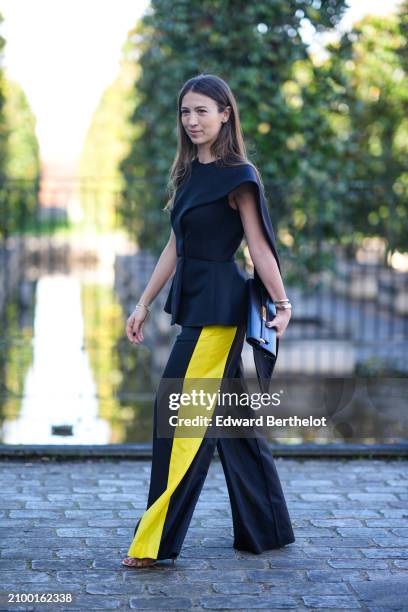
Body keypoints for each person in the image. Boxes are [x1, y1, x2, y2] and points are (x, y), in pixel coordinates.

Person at [122, 74, 295, 568]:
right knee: (233, 424)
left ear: (225, 114)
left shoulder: (239, 175)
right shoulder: (188, 174)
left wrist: (281, 304)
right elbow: (177, 245)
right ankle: (269, 528)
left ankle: (155, 542)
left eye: (203, 111)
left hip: (219, 313)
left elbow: (258, 246)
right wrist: (143, 303)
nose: (193, 121)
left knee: (177, 418)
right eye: (186, 112)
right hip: (194, 304)